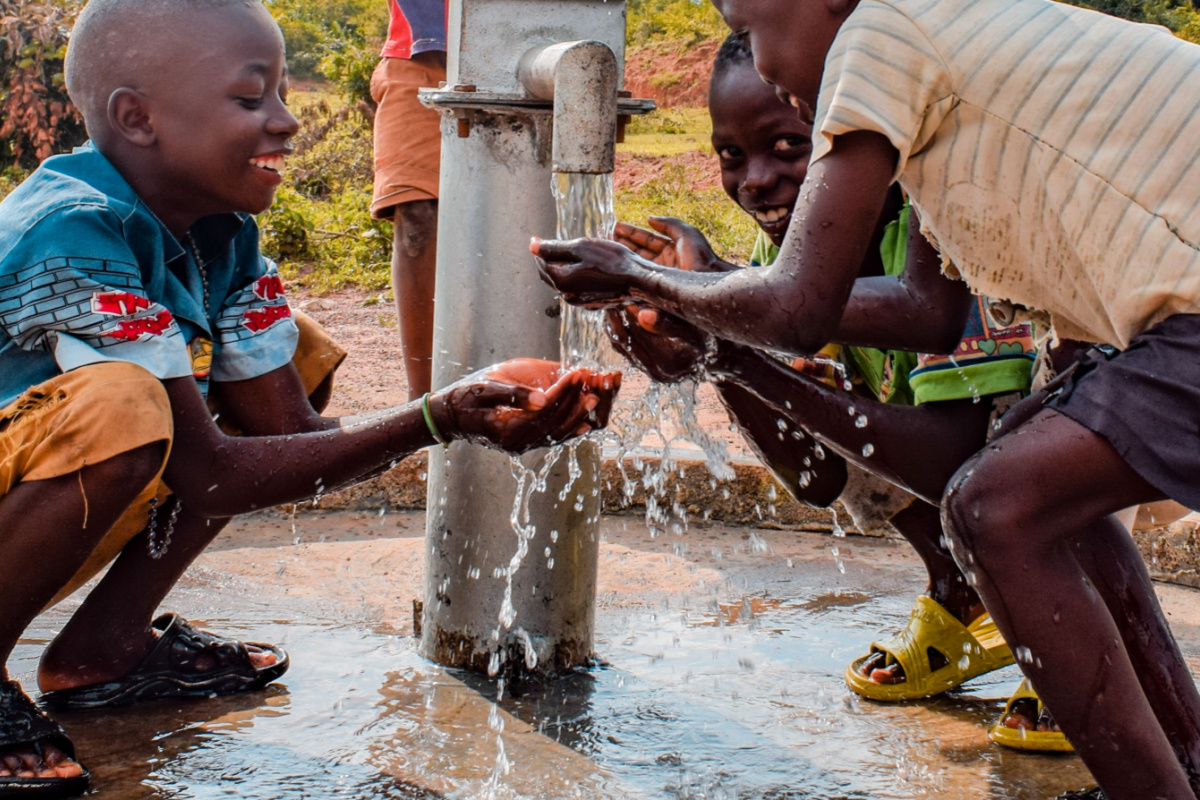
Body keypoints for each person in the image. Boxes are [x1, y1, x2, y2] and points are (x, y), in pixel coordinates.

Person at [533, 0, 1200, 797]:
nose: (769, 68)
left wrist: (645, 278)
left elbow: (799, 310)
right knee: (1043, 488)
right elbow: (928, 308)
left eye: (751, 29)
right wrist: (712, 320)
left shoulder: (884, 32)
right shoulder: (940, 61)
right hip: (1168, 303)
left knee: (995, 507)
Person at [0, 0, 619, 795]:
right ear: (137, 118)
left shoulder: (217, 230)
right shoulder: (70, 230)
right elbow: (217, 475)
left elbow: (281, 435)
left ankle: (105, 649)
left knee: (297, 350)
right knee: (128, 409)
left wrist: (469, 415)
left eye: (281, 94)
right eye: (251, 98)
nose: (287, 121)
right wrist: (439, 417)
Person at [610, 30, 1060, 738]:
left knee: (998, 461)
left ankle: (1074, 629)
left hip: (1108, 438)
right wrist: (715, 331)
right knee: (830, 414)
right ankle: (962, 593)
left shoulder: (945, 218)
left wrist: (726, 318)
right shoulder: (785, 247)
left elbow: (959, 455)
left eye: (790, 147)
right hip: (977, 451)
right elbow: (819, 474)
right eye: (732, 156)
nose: (755, 179)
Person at [370, 0, 446, 399]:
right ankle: (425, 404)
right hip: (420, 56)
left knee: (524, 212)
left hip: (525, 46)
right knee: (416, 214)